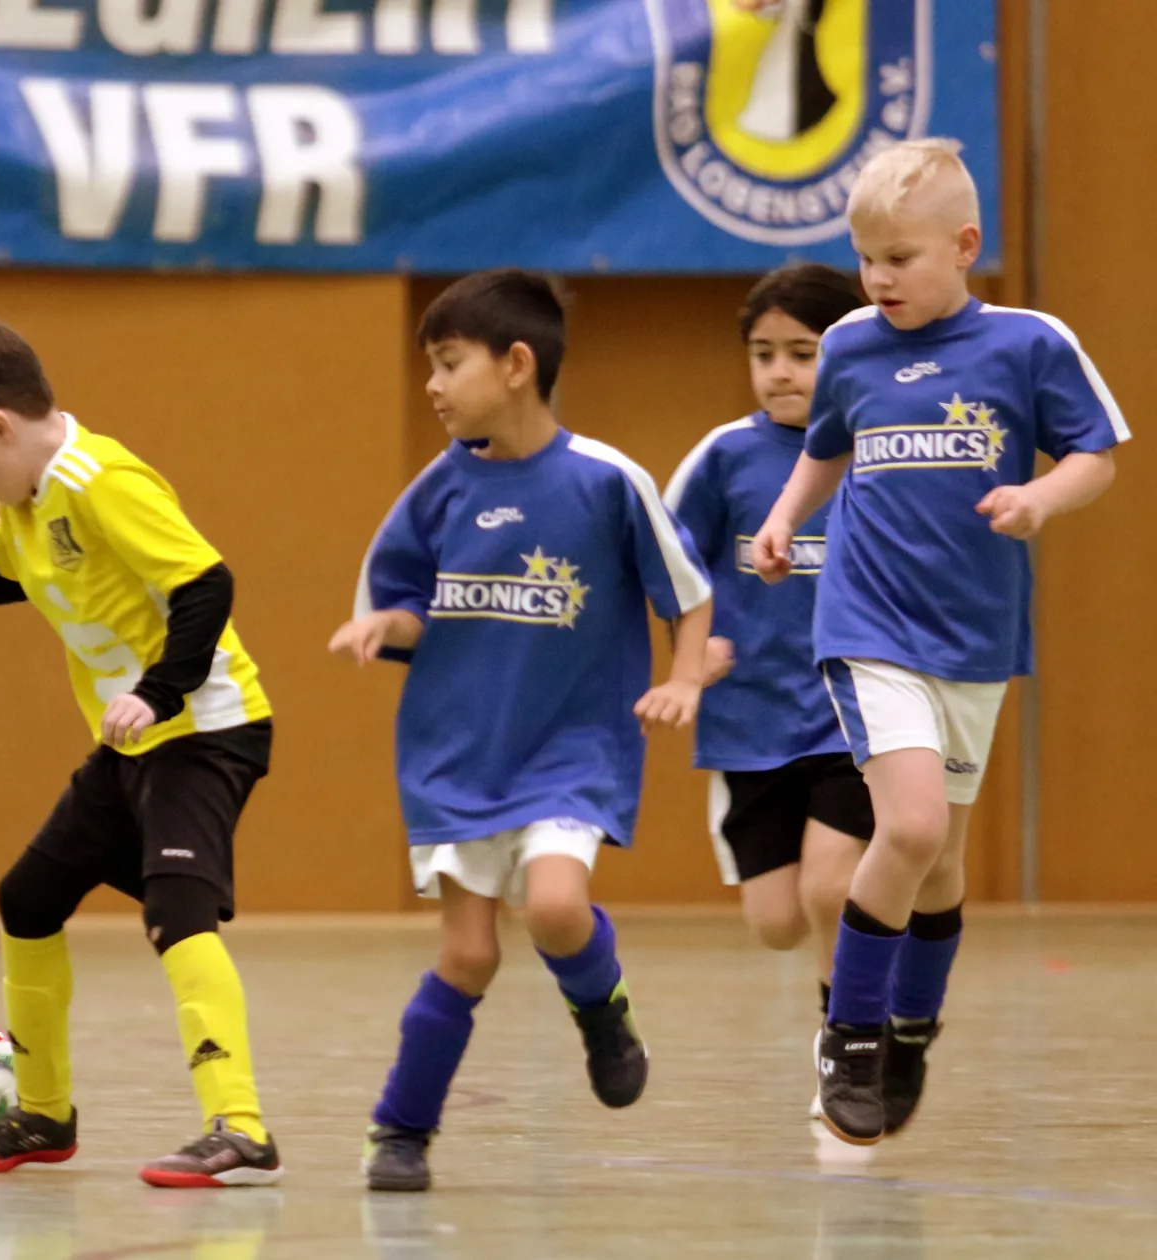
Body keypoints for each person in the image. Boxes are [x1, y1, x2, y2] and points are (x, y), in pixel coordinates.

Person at [752, 139, 1128, 1145]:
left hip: (971, 634)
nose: (877, 279)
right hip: (866, 622)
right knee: (910, 829)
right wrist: (784, 517)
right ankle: (849, 1036)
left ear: (963, 247)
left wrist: (1039, 497)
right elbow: (826, 447)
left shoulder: (1027, 344)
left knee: (943, 861)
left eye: (899, 258)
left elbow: (1095, 454)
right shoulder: (848, 344)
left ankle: (912, 1025)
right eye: (865, 258)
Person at [331, 269, 713, 1192]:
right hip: (458, 757)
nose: (432, 385)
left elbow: (688, 594)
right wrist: (385, 626)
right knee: (467, 954)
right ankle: (401, 1130)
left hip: (571, 751)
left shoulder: (607, 481)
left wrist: (685, 678)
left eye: (447, 363)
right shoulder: (436, 493)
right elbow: (406, 604)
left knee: (554, 908)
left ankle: (601, 1009)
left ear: (515, 365)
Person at [0, 317, 280, 1188]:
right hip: (132, 742)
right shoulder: (22, 501)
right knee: (27, 899)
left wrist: (158, 692)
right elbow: (15, 577)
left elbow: (205, 584)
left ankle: (240, 1126)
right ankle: (43, 1114)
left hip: (204, 729)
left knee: (177, 912)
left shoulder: (100, 481)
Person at [664, 265, 874, 1056]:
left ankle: (849, 1044)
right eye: (764, 354)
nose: (780, 371)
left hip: (855, 709)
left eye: (802, 353)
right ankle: (868, 951)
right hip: (751, 720)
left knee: (830, 888)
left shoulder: (879, 450)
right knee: (777, 921)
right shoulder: (724, 456)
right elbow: (666, 566)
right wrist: (692, 650)